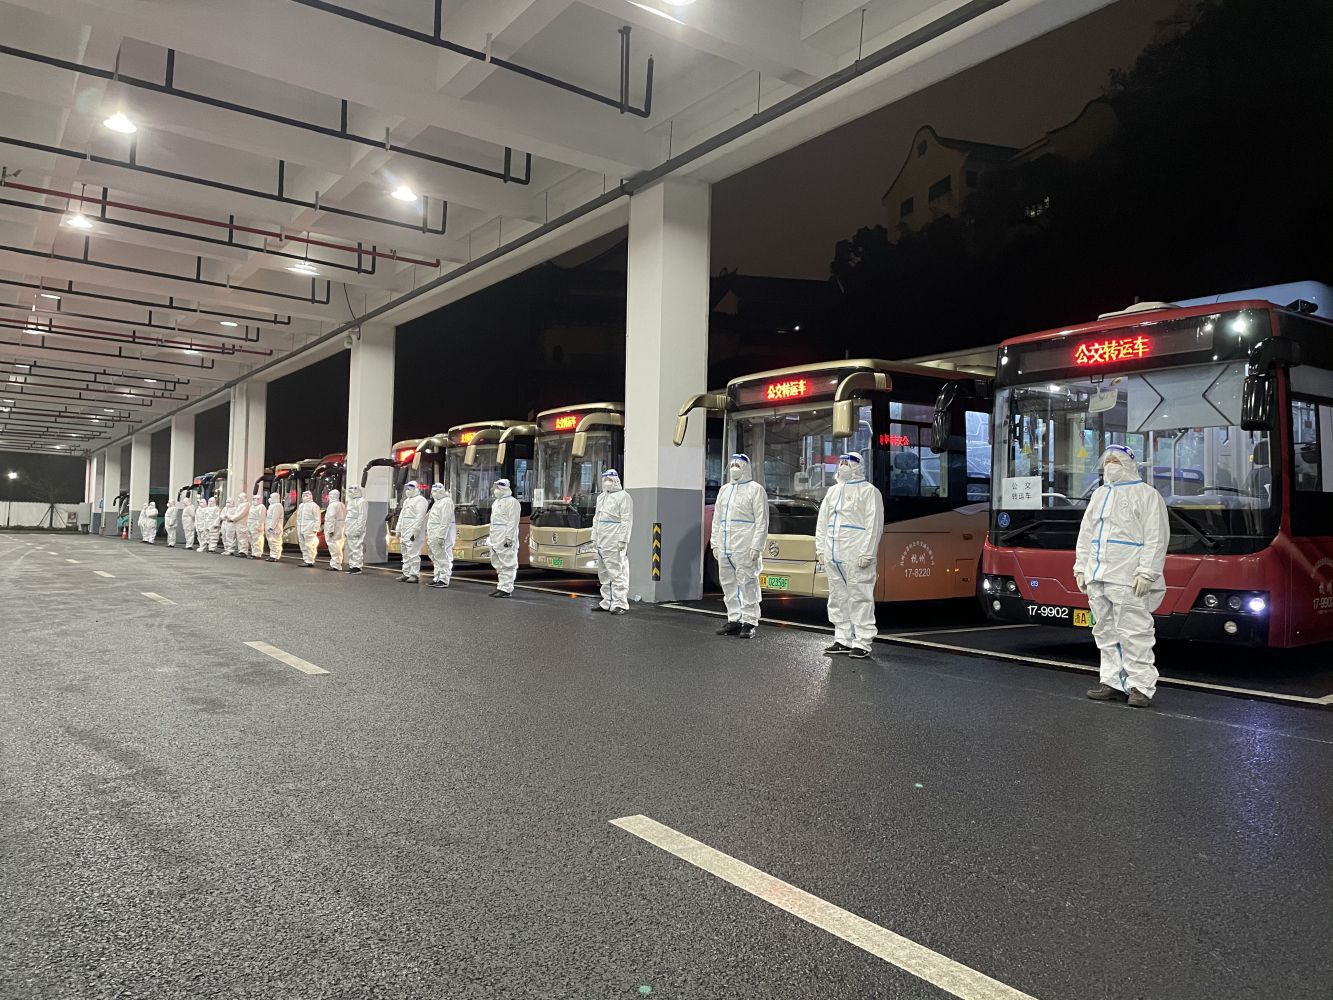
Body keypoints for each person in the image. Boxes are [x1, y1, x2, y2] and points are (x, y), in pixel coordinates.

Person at [1074, 444, 1170, 707]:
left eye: (1116, 460)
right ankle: (1112, 682)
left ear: (1129, 464)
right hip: (1098, 575)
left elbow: (1156, 537)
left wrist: (1147, 573)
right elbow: (1086, 535)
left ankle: (1141, 686)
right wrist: (1081, 567)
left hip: (1128, 576)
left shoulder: (1147, 495)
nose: (1110, 465)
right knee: (1104, 631)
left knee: (1135, 632)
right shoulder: (1099, 495)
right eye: (1107, 461)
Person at [816, 453, 884, 659]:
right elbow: (822, 522)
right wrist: (821, 549)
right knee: (838, 598)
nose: (843, 466)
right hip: (834, 554)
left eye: (847, 463)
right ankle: (842, 639)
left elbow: (874, 525)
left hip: (856, 554)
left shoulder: (869, 492)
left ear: (858, 467)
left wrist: (867, 552)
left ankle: (863, 641)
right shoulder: (833, 491)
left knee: (860, 597)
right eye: (841, 463)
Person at [711, 454, 769, 638]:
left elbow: (762, 521)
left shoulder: (755, 490)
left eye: (738, 465)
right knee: (728, 584)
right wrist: (715, 544)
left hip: (745, 546)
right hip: (725, 546)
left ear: (745, 468)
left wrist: (757, 546)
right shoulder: (724, 490)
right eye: (732, 465)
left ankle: (749, 622)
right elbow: (717, 520)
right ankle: (734, 619)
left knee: (747, 584)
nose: (734, 468)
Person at [592, 469, 633, 614]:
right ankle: (607, 602)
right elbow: (596, 519)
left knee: (617, 573)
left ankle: (620, 604)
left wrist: (623, 540)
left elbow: (626, 520)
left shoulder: (624, 497)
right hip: (601, 541)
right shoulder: (601, 497)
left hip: (614, 540)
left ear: (616, 480)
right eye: (605, 480)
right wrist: (594, 537)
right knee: (604, 573)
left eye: (609, 480)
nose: (607, 483)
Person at [488, 478, 521, 597]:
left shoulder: (513, 502)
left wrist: (509, 538)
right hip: (495, 537)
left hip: (505, 537)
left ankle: (506, 589)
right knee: (498, 563)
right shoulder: (496, 503)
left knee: (508, 563)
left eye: (498, 488)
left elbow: (513, 522)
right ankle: (501, 586)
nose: (495, 490)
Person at [396, 480, 428, 582]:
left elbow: (420, 516)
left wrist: (415, 530)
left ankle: (414, 574)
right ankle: (406, 573)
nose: (408, 490)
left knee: (413, 552)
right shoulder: (407, 501)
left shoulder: (421, 500)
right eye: (407, 488)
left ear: (416, 489)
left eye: (410, 488)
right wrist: (398, 529)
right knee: (405, 552)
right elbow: (402, 516)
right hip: (405, 530)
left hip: (413, 531)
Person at [426, 483, 455, 588]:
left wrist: (441, 536)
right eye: (433, 491)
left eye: (436, 491)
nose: (434, 493)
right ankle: (437, 577)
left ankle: (443, 579)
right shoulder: (437, 502)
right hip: (433, 533)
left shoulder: (446, 502)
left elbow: (445, 520)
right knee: (436, 557)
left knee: (442, 557)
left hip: (440, 534)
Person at [344, 484, 367, 574]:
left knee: (356, 546)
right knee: (350, 546)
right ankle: (352, 565)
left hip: (356, 526)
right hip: (349, 526)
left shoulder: (362, 501)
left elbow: (362, 516)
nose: (350, 492)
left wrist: (359, 529)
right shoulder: (351, 501)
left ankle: (357, 566)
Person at [296, 490, 322, 567]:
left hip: (309, 528)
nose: (305, 497)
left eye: (306, 495)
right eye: (304, 495)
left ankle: (310, 560)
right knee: (303, 545)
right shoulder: (301, 505)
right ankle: (305, 559)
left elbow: (317, 519)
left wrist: (315, 529)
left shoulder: (314, 506)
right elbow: (298, 518)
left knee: (310, 545)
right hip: (301, 528)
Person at [324, 488, 347, 572]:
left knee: (333, 545)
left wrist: (330, 530)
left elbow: (331, 518)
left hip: (334, 527)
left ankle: (335, 564)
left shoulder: (332, 506)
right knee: (339, 545)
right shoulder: (342, 505)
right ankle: (338, 563)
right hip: (341, 527)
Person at [265, 491, 285, 561]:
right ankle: (272, 555)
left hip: (275, 527)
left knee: (275, 541)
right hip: (270, 526)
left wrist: (272, 527)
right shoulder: (272, 506)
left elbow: (275, 517)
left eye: (271, 497)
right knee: (271, 541)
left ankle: (275, 556)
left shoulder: (277, 506)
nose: (270, 499)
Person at [229, 492, 251, 558]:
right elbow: (237, 513)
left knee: (243, 537)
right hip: (238, 523)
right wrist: (231, 518)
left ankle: (244, 551)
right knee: (239, 537)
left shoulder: (246, 504)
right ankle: (241, 550)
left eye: (239, 498)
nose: (238, 499)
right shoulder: (241, 505)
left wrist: (232, 519)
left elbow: (241, 514)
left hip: (243, 523)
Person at [247, 490, 265, 559]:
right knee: (252, 539)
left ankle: (257, 553)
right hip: (251, 524)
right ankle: (253, 552)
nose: (255, 500)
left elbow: (261, 517)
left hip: (256, 524)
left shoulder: (261, 507)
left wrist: (259, 526)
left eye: (257, 499)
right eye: (254, 499)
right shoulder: (252, 507)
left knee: (257, 539)